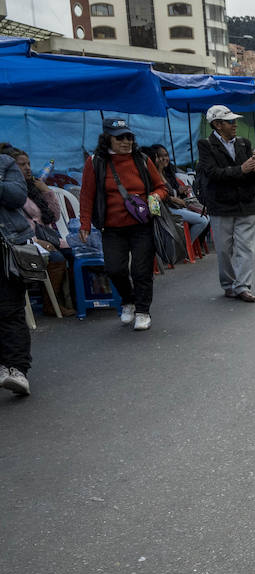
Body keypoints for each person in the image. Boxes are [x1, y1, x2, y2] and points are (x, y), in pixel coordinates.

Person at [79, 117, 168, 330]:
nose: (125, 142)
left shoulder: (142, 160)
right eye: (119, 138)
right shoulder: (95, 162)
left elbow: (161, 187)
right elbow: (86, 195)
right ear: (107, 139)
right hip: (112, 227)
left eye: (128, 137)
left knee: (141, 270)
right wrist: (84, 224)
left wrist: (154, 197)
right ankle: (128, 300)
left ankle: (143, 311)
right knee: (114, 269)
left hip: (142, 225)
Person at [197, 104, 255, 303]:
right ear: (217, 124)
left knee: (246, 247)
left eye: (234, 121)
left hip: (246, 203)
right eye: (230, 121)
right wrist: (241, 169)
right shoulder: (205, 145)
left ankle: (243, 286)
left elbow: (254, 176)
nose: (234, 125)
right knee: (224, 248)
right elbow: (212, 173)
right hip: (220, 205)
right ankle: (229, 284)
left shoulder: (244, 143)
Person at [3, 143, 72, 316]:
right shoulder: (12, 195)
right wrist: (36, 241)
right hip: (26, 240)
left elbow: (54, 216)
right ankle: (51, 304)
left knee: (72, 252)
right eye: (21, 164)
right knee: (56, 257)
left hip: (47, 235)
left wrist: (46, 190)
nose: (27, 168)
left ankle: (69, 300)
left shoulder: (32, 189)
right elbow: (18, 226)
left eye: (28, 164)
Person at [0, 144, 34, 395]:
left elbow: (17, 197)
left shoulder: (5, 164)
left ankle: (18, 368)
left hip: (7, 246)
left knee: (10, 308)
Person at [145, 144, 211, 245]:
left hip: (174, 207)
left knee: (206, 216)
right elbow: (160, 194)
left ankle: (186, 246)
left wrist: (179, 192)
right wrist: (173, 198)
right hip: (166, 210)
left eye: (166, 155)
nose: (163, 159)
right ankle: (184, 246)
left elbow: (169, 191)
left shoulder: (167, 172)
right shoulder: (153, 174)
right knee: (202, 220)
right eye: (159, 157)